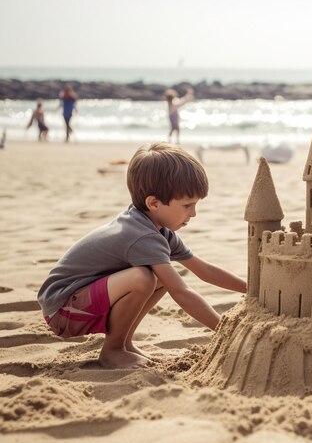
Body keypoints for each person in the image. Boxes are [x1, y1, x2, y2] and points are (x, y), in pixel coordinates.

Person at [37, 142, 247, 369]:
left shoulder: (156, 230)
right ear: (154, 203)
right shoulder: (141, 236)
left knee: (158, 278)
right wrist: (226, 331)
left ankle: (123, 344)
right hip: (63, 310)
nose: (193, 213)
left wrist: (251, 288)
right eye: (187, 205)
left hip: (78, 302)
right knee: (143, 278)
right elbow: (182, 291)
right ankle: (113, 351)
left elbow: (204, 270)